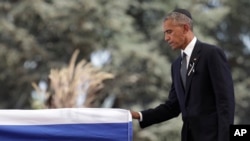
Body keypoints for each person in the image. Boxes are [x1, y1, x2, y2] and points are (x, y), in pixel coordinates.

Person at [131, 8, 235, 141]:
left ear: (185, 28)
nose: (166, 38)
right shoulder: (176, 65)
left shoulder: (211, 54)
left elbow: (225, 102)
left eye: (169, 32)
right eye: (165, 33)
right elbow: (172, 107)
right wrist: (139, 115)